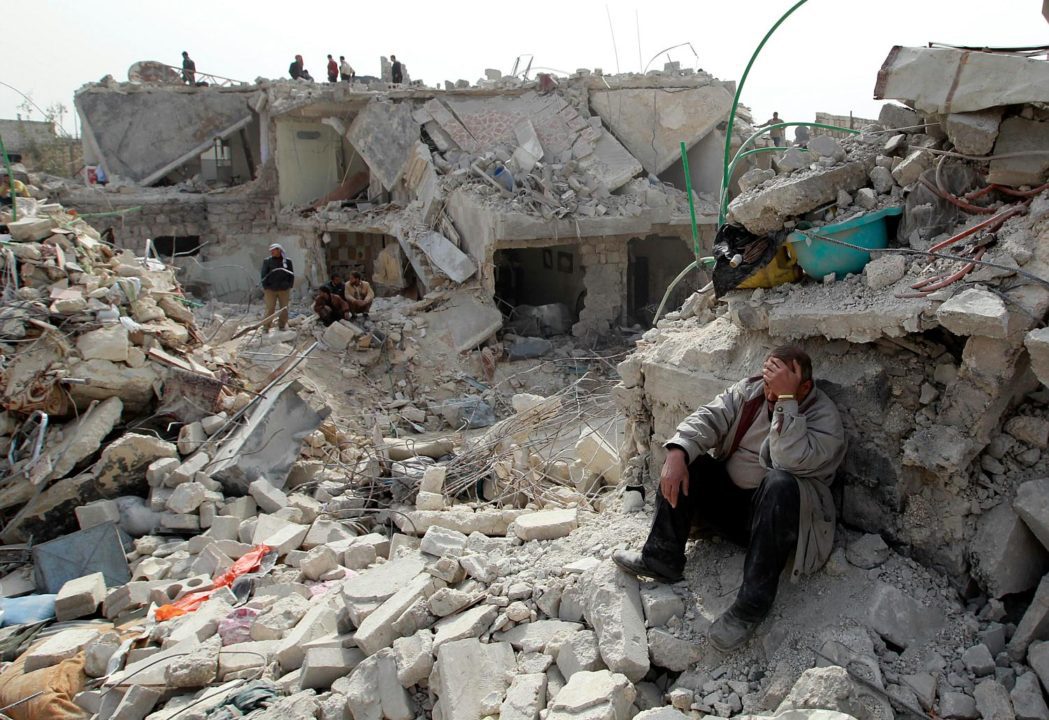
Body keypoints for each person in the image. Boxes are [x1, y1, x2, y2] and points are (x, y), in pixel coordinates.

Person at [612, 345, 846, 652]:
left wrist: (786, 402)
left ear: (805, 386)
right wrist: (678, 450)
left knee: (779, 482)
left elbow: (788, 460)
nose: (770, 395)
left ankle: (751, 606)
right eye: (769, 385)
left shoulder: (823, 417)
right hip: (734, 509)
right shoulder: (750, 392)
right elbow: (710, 416)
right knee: (689, 461)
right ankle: (662, 557)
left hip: (780, 526)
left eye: (781, 387)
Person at [260, 243, 295, 332]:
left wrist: (289, 285)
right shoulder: (267, 261)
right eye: (271, 250)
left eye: (273, 250)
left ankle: (282, 325)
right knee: (270, 308)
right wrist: (266, 287)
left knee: (284, 308)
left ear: (279, 250)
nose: (271, 252)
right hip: (270, 289)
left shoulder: (287, 261)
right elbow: (263, 274)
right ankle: (266, 327)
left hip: (284, 289)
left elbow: (291, 274)